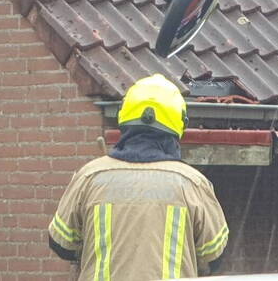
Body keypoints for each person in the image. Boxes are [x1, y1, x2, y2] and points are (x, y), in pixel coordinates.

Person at [48, 74, 228, 279]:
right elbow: (214, 256)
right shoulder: (193, 183)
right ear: (180, 123)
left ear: (123, 115)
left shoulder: (90, 177)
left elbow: (61, 244)